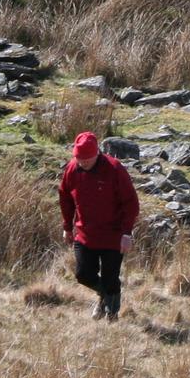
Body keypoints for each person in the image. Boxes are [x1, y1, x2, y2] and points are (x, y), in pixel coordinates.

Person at [58, 131, 140, 322]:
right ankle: (105, 298)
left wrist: (127, 233)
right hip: (85, 233)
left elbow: (131, 203)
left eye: (87, 159)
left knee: (111, 278)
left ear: (97, 154)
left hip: (114, 235)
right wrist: (67, 227)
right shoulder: (72, 169)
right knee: (83, 274)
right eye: (79, 158)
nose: (83, 163)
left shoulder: (115, 169)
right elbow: (65, 197)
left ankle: (112, 314)